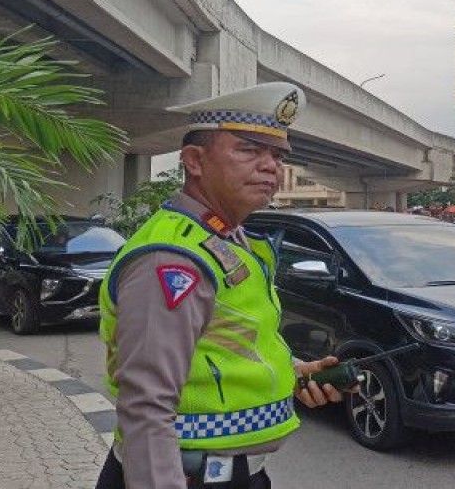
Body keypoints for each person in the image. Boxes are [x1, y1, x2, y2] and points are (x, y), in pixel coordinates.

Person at [95, 82, 346, 489]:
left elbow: (225, 346)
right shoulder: (174, 258)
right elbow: (145, 406)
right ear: (195, 161)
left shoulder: (225, 238)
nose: (270, 167)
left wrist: (295, 374)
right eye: (249, 150)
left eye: (277, 155)